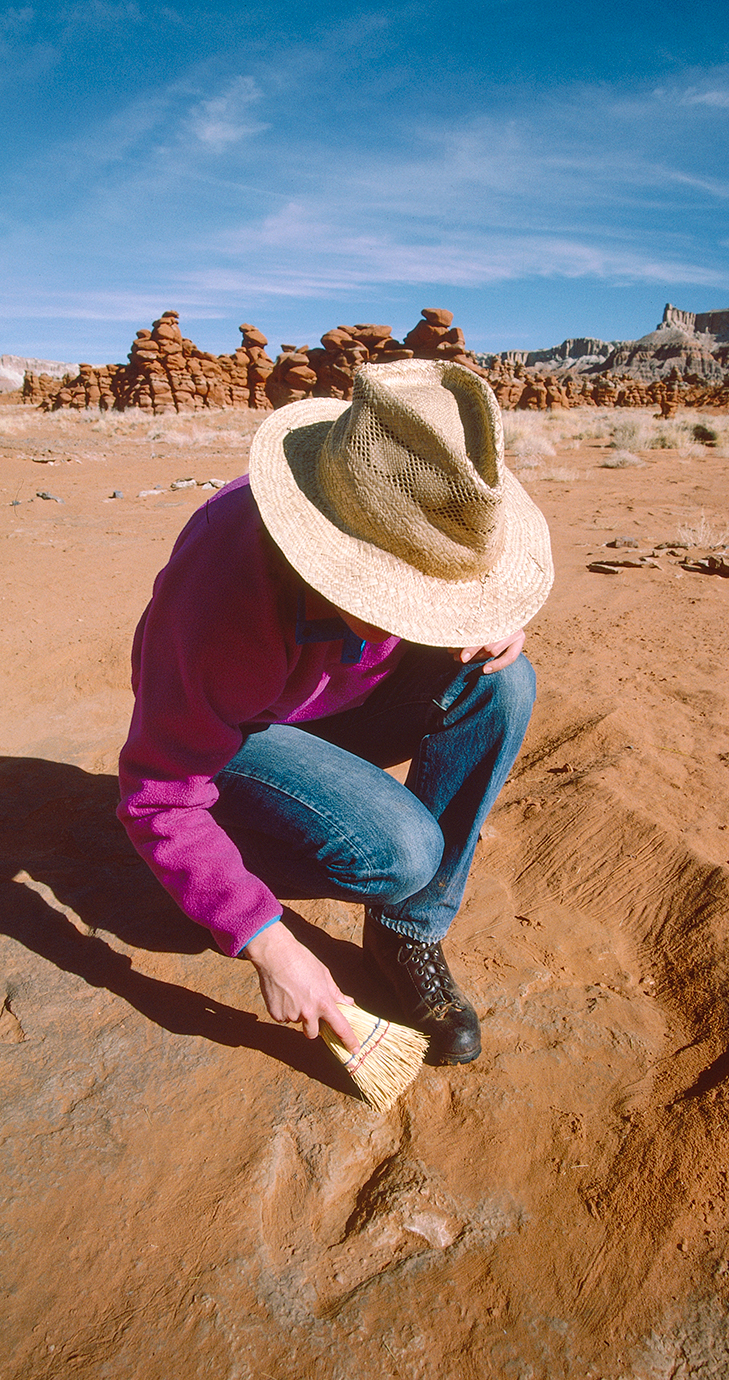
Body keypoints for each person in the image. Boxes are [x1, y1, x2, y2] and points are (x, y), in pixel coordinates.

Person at [117, 359, 553, 1065]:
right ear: (334, 550)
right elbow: (156, 797)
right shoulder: (223, 597)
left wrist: (487, 611)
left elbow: (461, 617)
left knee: (503, 683)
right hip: (243, 729)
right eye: (410, 593)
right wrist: (270, 944)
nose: (423, 616)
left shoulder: (417, 503)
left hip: (332, 694)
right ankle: (221, 860)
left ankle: (406, 931)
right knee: (400, 852)